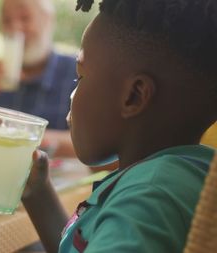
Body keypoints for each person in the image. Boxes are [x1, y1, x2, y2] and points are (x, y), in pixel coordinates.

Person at [22, 0, 217, 252]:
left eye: (80, 77)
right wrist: (40, 196)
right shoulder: (182, 175)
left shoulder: (148, 199)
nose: (72, 95)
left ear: (133, 97)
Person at [0, 0, 77, 157]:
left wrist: (29, 137)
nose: (14, 28)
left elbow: (96, 141)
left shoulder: (75, 73)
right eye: (6, 21)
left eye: (25, 18)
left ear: (48, 20)